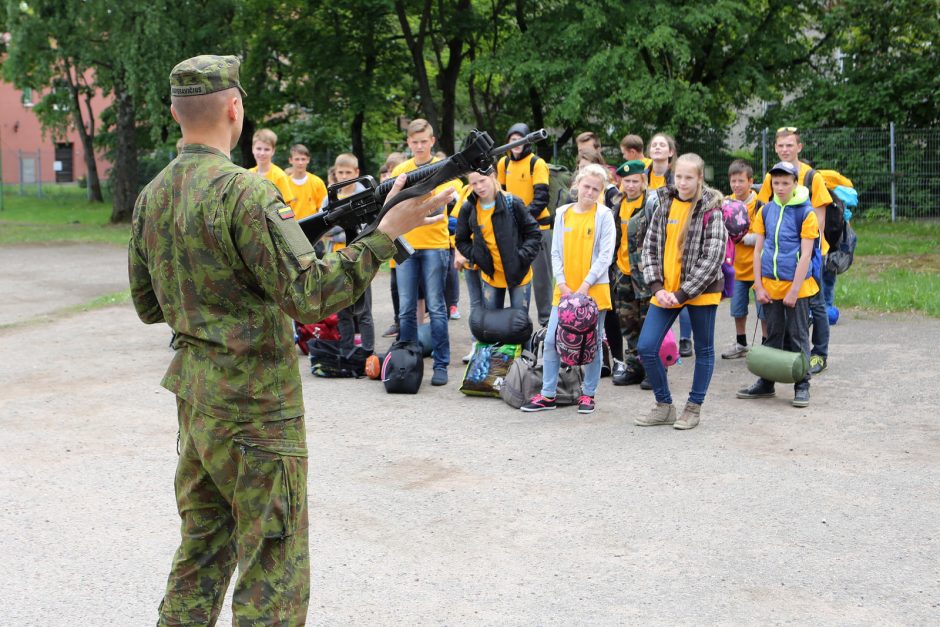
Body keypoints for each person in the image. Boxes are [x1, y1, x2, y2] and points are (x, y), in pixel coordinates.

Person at [128, 54, 452, 624]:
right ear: (235, 109)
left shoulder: (151, 196)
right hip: (255, 409)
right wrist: (384, 237)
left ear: (176, 114)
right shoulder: (245, 194)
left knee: (201, 550)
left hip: (197, 402)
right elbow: (310, 297)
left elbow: (149, 306)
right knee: (272, 564)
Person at [635, 153, 727, 430]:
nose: (683, 182)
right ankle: (664, 405)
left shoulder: (712, 209)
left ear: (700, 178)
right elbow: (649, 247)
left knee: (704, 349)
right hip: (665, 291)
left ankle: (693, 408)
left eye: (689, 177)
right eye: (679, 177)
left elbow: (713, 257)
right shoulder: (663, 203)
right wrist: (657, 287)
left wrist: (683, 294)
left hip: (700, 291)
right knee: (646, 347)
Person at [521, 164, 616, 415]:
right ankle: (548, 394)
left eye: (596, 189)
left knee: (591, 343)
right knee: (552, 340)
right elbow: (556, 251)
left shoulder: (604, 215)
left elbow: (606, 255)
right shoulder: (563, 212)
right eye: (586, 186)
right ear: (577, 185)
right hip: (563, 292)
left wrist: (585, 285)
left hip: (593, 292)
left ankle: (588, 394)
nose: (590, 192)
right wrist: (562, 283)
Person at [738, 161, 820, 407]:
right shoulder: (765, 211)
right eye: (776, 183)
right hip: (769, 287)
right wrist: (759, 286)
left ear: (795, 184)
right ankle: (766, 382)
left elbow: (806, 255)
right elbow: (758, 251)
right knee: (771, 335)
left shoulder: (807, 213)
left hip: (797, 288)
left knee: (798, 336)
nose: (780, 187)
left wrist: (795, 291)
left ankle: (802, 384)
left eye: (786, 183)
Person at [390, 119, 464, 386]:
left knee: (436, 306)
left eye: (424, 141)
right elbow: (391, 206)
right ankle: (409, 363)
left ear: (432, 142)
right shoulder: (400, 171)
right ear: (408, 143)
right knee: (406, 308)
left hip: (434, 244)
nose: (419, 146)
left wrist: (416, 203)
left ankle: (441, 364)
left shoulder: (444, 168)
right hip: (406, 245)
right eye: (414, 141)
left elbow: (437, 208)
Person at [756, 127, 832, 375]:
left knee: (816, 304)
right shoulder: (771, 178)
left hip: (810, 250)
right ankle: (782, 357)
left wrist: (806, 254)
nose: (785, 150)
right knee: (778, 310)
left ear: (799, 147)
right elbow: (768, 209)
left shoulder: (812, 177)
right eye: (781, 146)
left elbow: (819, 219)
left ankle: (819, 353)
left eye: (790, 145)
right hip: (780, 254)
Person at [455, 170, 541, 314]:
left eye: (482, 181)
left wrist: (522, 256)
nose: (479, 187)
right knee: (492, 327)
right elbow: (461, 240)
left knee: (519, 325)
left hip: (519, 274)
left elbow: (534, 233)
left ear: (492, 176)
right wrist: (478, 256)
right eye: (474, 183)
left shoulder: (513, 202)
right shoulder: (469, 207)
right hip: (491, 276)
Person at [496, 122, 552, 326]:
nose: (517, 143)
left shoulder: (536, 163)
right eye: (513, 139)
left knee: (541, 279)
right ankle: (518, 322)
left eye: (521, 138)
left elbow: (541, 197)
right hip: (514, 229)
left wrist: (523, 219)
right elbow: (500, 193)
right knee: (517, 276)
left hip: (538, 228)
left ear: (528, 141)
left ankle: (546, 322)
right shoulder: (503, 163)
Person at [323, 153, 376, 356]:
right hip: (337, 261)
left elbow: (367, 227)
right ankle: (346, 352)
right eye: (340, 172)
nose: (344, 176)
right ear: (335, 174)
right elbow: (325, 229)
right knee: (342, 310)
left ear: (356, 173)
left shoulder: (366, 196)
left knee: (364, 310)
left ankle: (368, 353)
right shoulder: (329, 197)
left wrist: (341, 228)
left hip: (362, 259)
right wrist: (344, 229)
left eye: (348, 172)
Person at [721, 159, 767, 358]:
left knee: (763, 310)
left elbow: (761, 237)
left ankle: (767, 344)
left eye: (740, 181)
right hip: (736, 268)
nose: (736, 185)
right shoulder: (726, 204)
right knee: (737, 308)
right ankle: (741, 344)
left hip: (759, 268)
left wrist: (738, 236)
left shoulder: (760, 205)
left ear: (750, 181)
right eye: (733, 181)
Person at [610, 159, 650, 385]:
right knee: (628, 322)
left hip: (645, 274)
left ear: (643, 181)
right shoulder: (617, 204)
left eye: (635, 181)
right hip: (623, 272)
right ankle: (634, 367)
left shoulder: (651, 204)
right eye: (627, 181)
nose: (631, 185)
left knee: (648, 323)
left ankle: (653, 369)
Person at [381, 152, 408, 338]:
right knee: (395, 289)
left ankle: (407, 327)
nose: (391, 173)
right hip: (394, 254)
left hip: (407, 249)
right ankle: (399, 323)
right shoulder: (384, 190)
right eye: (389, 169)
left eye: (396, 169)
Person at [249, 128, 296, 208]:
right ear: (253, 148)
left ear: (273, 151)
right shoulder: (248, 174)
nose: (262, 153)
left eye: (267, 149)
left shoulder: (280, 176)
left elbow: (287, 206)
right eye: (258, 148)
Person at [286, 144, 328, 221]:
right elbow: (282, 208)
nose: (300, 162)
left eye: (303, 159)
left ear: (308, 160)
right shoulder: (284, 183)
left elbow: (323, 208)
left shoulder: (317, 182)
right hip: (293, 228)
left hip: (313, 226)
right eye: (297, 159)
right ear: (290, 160)